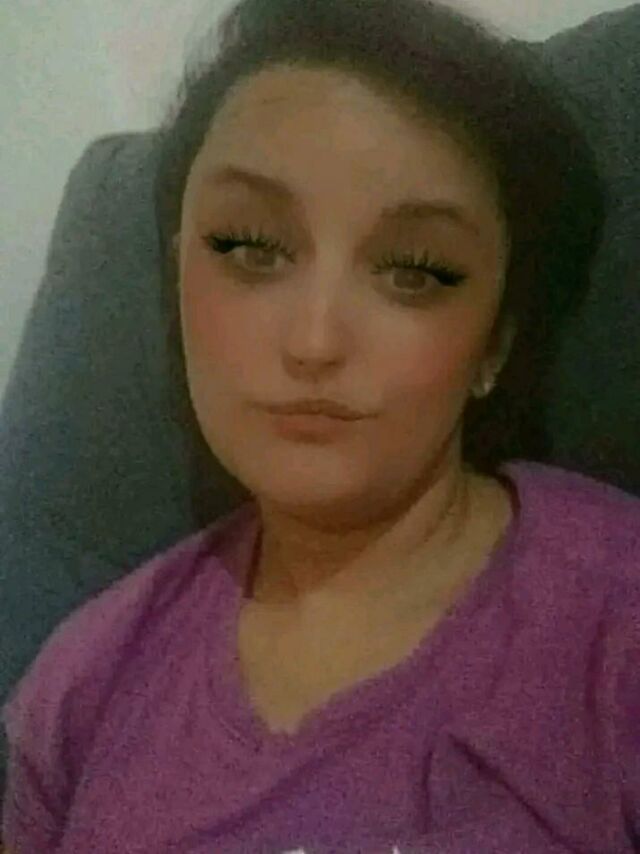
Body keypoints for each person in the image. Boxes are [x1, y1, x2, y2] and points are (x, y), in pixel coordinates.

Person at [2, 0, 639, 851]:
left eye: (415, 270)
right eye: (251, 249)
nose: (315, 341)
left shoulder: (615, 630)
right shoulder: (83, 683)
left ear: (495, 343)